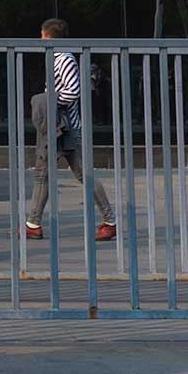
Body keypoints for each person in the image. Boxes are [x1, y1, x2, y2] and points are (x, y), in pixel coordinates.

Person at [25, 19, 116, 243]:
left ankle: (110, 220)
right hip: (61, 126)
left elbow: (73, 91)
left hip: (65, 127)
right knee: (45, 173)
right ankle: (32, 223)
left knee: (80, 173)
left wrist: (50, 103)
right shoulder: (59, 58)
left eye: (42, 36)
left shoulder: (63, 59)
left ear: (48, 37)